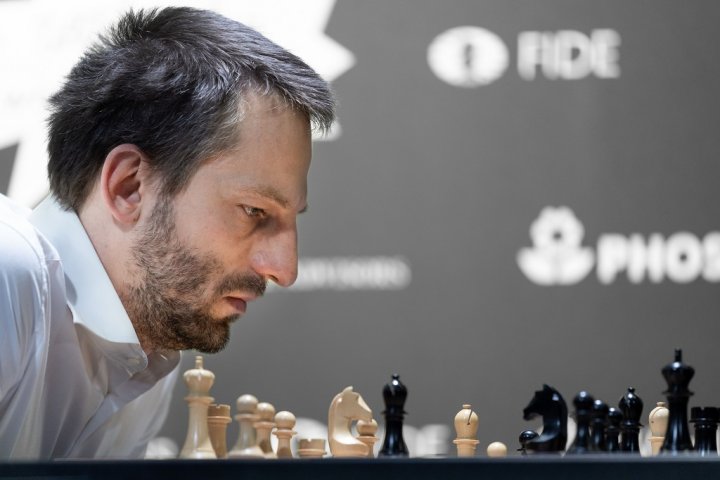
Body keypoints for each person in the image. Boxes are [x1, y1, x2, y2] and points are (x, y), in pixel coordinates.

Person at [0, 7, 335, 459]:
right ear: (129, 186)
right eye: (254, 211)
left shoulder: (149, 344)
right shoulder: (7, 269)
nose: (285, 270)